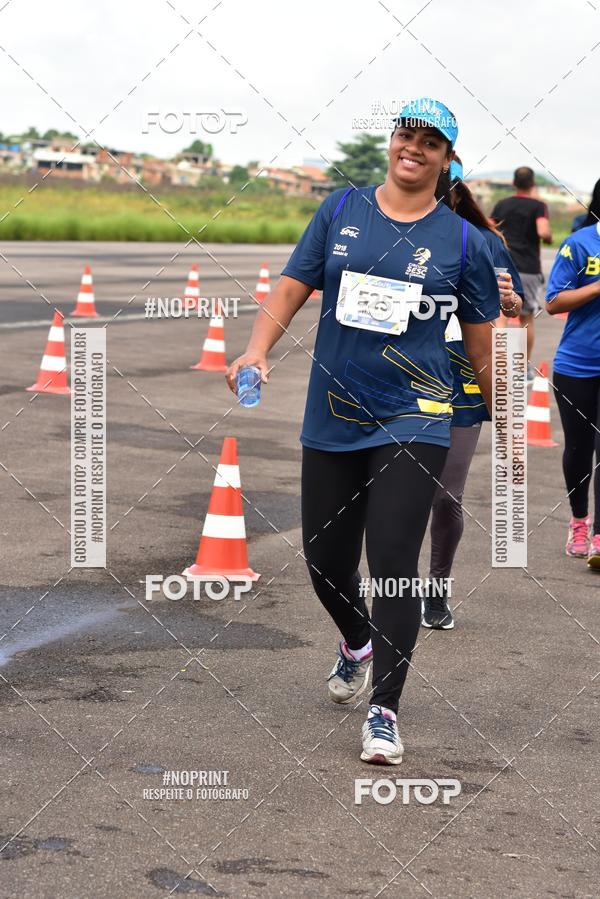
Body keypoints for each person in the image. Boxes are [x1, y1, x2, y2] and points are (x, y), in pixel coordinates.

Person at [226, 97, 500, 765]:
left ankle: (385, 710)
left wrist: (504, 420)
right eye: (407, 134)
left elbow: (484, 349)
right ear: (392, 141)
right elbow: (292, 285)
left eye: (431, 142)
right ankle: (356, 640)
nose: (415, 148)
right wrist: (256, 348)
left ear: (447, 157)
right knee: (324, 561)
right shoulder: (342, 210)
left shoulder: (463, 241)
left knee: (394, 562)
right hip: (334, 411)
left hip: (418, 413)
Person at [422, 157, 524, 629]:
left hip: (462, 380)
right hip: (402, 378)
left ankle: (436, 590)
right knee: (394, 492)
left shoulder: (483, 242)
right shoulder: (395, 232)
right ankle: (393, 587)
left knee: (446, 494)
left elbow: (517, 308)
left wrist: (509, 301)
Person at [545, 215, 600, 569]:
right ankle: (579, 521)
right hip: (578, 365)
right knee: (579, 448)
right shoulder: (579, 243)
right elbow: (553, 302)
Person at [491, 167, 552, 383]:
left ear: (514, 183)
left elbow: (489, 227)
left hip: (502, 266)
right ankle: (521, 369)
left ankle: (497, 367)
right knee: (526, 318)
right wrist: (548, 238)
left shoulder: (502, 204)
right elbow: (543, 232)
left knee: (500, 317)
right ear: (532, 183)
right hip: (527, 268)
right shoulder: (538, 206)